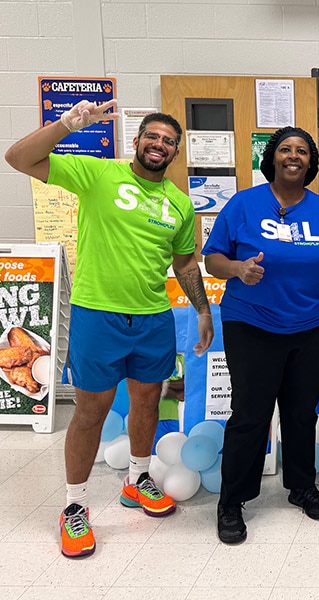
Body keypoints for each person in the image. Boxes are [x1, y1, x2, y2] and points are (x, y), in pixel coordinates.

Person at [5, 101, 214, 558]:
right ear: (138, 141)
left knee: (147, 400)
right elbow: (18, 158)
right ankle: (74, 507)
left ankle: (138, 478)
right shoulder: (100, 175)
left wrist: (201, 310)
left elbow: (185, 263)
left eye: (168, 141)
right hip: (97, 314)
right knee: (91, 410)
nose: (159, 145)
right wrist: (66, 124)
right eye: (152, 137)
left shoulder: (179, 204)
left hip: (152, 316)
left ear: (175, 152)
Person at [203, 126, 319, 544]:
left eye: (302, 151)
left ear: (310, 162)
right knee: (250, 415)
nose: (294, 156)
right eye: (286, 150)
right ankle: (232, 502)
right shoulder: (244, 204)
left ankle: (302, 487)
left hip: (311, 325)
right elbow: (213, 258)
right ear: (272, 158)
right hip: (252, 323)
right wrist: (237, 269)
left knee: (301, 412)